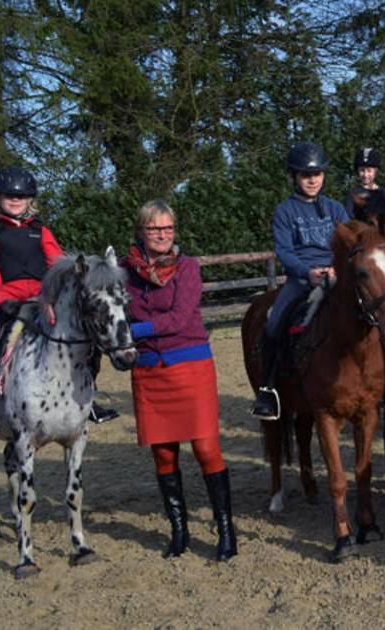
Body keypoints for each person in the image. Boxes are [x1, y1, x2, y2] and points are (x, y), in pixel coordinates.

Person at [124, 201, 236, 561]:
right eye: (155, 228)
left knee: (206, 449)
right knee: (163, 454)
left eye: (168, 228)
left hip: (190, 365)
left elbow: (180, 318)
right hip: (148, 370)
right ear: (141, 232)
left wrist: (134, 330)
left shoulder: (188, 267)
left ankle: (226, 530)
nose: (162, 235)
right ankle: (179, 531)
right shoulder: (123, 272)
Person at [252, 142, 349, 419]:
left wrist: (337, 269)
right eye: (306, 175)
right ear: (294, 176)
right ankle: (268, 389)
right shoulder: (285, 211)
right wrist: (308, 273)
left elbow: (348, 243)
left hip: (335, 276)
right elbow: (284, 251)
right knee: (273, 322)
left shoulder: (335, 209)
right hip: (302, 279)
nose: (312, 180)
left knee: (370, 311)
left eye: (317, 174)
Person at [0, 166, 63, 436]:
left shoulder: (41, 230)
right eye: (9, 195)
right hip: (5, 307)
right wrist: (2, 301)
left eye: (22, 196)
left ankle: (88, 399)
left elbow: (58, 265)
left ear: (30, 200)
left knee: (82, 334)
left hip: (41, 304)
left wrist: (56, 295)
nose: (15, 200)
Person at [344, 147, 385, 219]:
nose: (365, 175)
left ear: (375, 172)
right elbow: (348, 217)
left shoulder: (384, 193)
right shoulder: (352, 193)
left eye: (369, 171)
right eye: (362, 170)